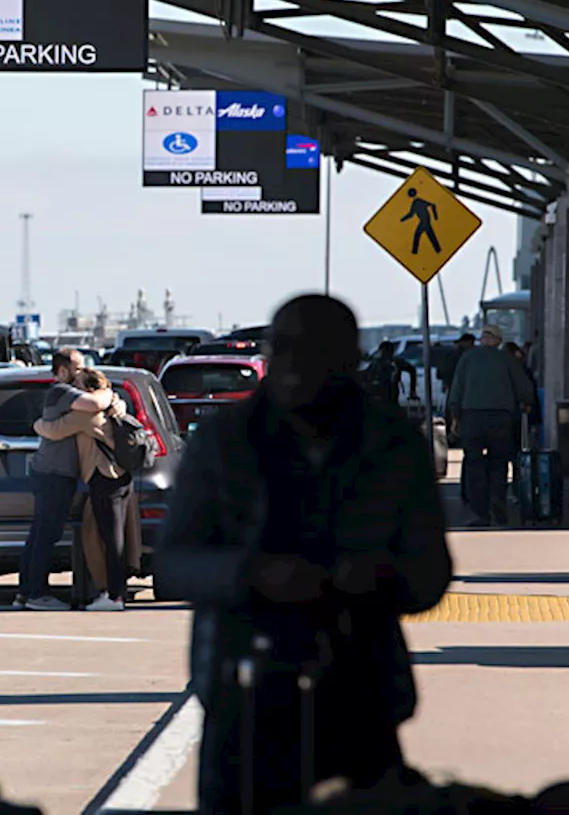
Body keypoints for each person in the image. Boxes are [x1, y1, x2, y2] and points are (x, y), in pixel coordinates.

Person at [157, 294, 452, 815]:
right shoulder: (226, 442)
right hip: (242, 691)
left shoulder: (391, 444)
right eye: (284, 348)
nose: (295, 366)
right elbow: (175, 564)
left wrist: (377, 575)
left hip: (361, 694)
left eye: (314, 351)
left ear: (349, 359)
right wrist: (253, 573)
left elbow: (431, 574)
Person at [16, 348, 113, 611]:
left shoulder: (65, 394)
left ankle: (26, 592)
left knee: (40, 534)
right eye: (78, 368)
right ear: (62, 371)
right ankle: (37, 594)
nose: (82, 373)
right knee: (46, 534)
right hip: (54, 475)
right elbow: (94, 405)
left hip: (51, 473)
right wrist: (109, 392)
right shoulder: (62, 391)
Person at [33, 367, 130, 611]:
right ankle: (114, 593)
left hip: (104, 476)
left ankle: (115, 596)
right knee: (112, 536)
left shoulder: (85, 415)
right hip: (116, 476)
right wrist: (114, 397)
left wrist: (36, 424)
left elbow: (53, 430)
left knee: (112, 538)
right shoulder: (108, 406)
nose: (73, 391)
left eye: (78, 386)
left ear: (89, 390)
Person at [448, 325, 535, 527]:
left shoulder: (467, 359)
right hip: (500, 418)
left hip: (472, 417)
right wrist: (526, 403)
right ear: (497, 341)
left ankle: (480, 512)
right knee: (499, 462)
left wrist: (455, 418)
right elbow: (525, 388)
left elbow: (456, 390)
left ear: (482, 339)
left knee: (473, 464)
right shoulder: (507, 359)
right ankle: (498, 500)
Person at [360, 340, 418, 408]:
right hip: (384, 395)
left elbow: (412, 370)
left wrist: (412, 390)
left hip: (387, 394)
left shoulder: (392, 363)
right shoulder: (378, 363)